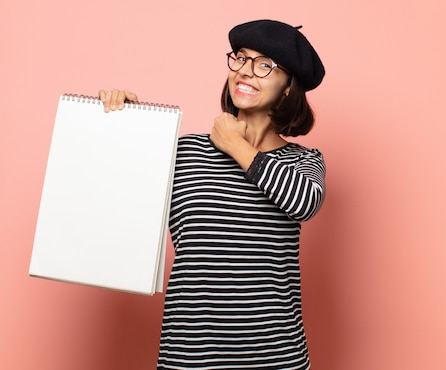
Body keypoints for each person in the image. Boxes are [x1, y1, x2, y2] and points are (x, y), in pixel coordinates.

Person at [100, 19, 326, 369]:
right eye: (240, 58)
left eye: (265, 65)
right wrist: (123, 125)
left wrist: (234, 144)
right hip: (190, 357)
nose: (246, 72)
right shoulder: (185, 152)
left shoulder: (302, 161)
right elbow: (114, 199)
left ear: (287, 88)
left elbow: (304, 203)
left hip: (277, 357)